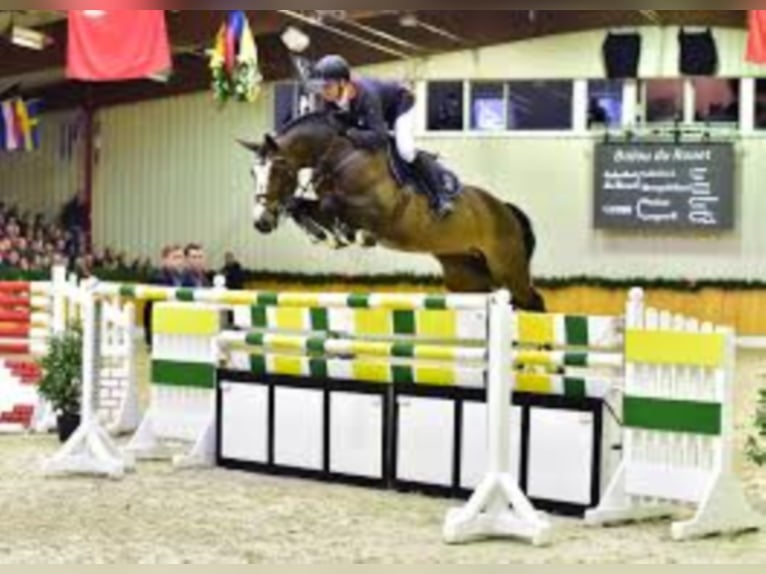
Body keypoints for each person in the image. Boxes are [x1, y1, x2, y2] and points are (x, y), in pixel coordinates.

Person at [310, 54, 454, 218]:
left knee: (405, 150)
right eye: (320, 87)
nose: (323, 91)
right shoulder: (328, 100)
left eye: (327, 86)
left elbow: (379, 137)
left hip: (401, 104)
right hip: (378, 114)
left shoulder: (366, 96)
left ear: (343, 83)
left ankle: (440, 196)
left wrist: (351, 133)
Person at [143, 245, 186, 349]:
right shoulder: (158, 279)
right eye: (175, 257)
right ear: (165, 260)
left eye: (181, 257)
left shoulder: (184, 279)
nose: (180, 261)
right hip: (160, 329)